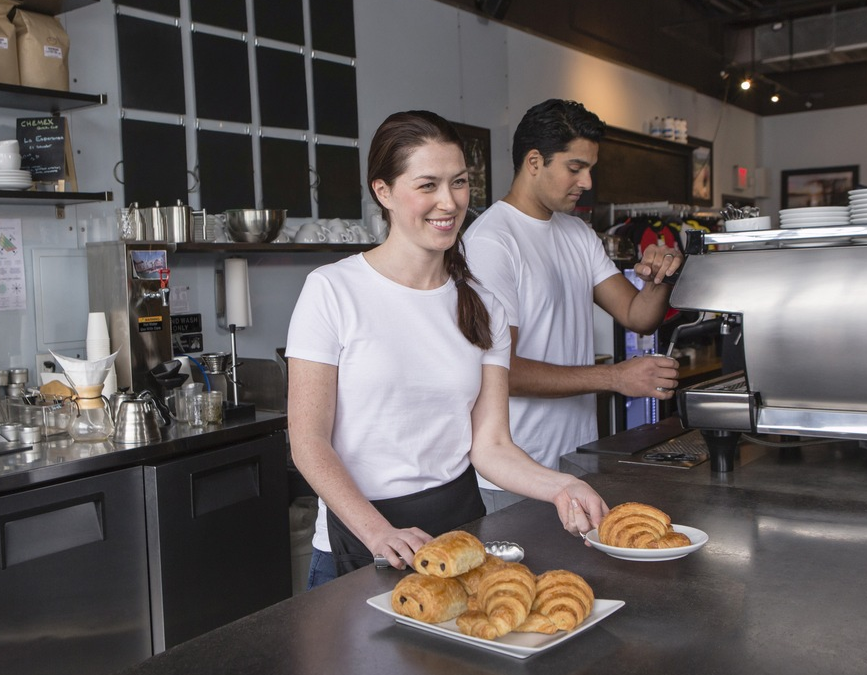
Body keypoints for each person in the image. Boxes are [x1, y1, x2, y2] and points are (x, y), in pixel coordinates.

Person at [286, 110, 609, 589]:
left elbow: (491, 445)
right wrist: (379, 532)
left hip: (461, 536)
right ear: (384, 192)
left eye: (458, 182)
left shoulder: (483, 306)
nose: (448, 201)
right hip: (359, 539)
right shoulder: (331, 290)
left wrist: (563, 486)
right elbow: (309, 442)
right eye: (427, 185)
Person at [462, 99, 682, 512]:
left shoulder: (577, 233)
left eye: (590, 169)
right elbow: (501, 370)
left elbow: (638, 316)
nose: (587, 182)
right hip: (517, 470)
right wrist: (615, 377)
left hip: (577, 460)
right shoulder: (492, 242)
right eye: (575, 167)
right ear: (533, 161)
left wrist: (660, 278)